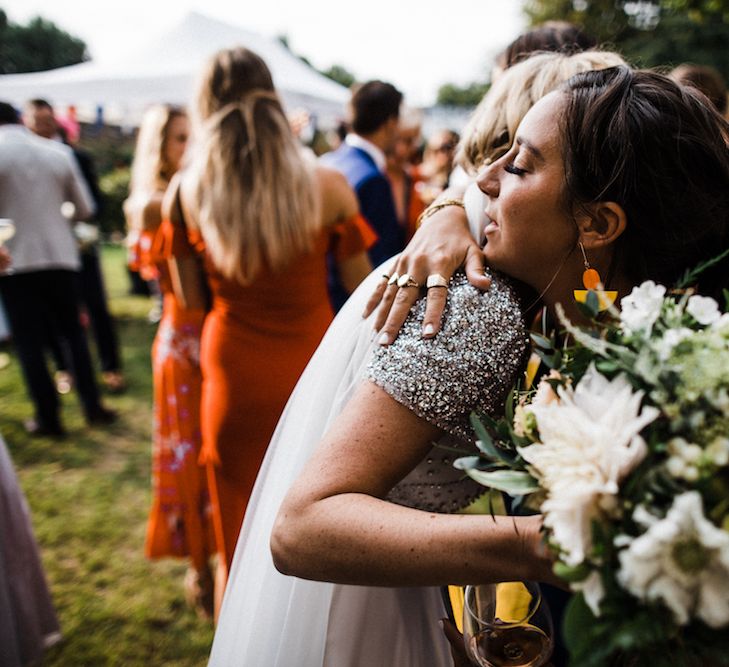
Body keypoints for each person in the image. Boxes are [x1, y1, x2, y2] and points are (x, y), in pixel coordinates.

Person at [208, 50, 629, 666]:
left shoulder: (516, 283)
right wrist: (527, 548)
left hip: (402, 583)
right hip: (365, 601)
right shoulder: (480, 303)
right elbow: (302, 530)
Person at [162, 46, 373, 609]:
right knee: (316, 516)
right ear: (274, 97)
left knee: (241, 527)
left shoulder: (184, 193)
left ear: (205, 106)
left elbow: (189, 300)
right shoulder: (328, 186)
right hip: (312, 369)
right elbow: (363, 295)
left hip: (232, 375)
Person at [123, 104, 216, 619]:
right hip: (183, 344)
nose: (190, 148)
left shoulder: (182, 195)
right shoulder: (160, 203)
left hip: (199, 338)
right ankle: (200, 563)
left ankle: (212, 561)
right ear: (160, 147)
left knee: (206, 455)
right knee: (188, 458)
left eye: (192, 138)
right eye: (181, 140)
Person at [0, 102, 115, 437]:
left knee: (29, 343)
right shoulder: (56, 153)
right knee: (74, 334)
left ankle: (49, 419)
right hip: (61, 256)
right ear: (20, 120)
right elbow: (85, 208)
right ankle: (92, 406)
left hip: (14, 261)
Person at [22, 98, 125, 394]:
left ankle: (110, 367)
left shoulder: (75, 157)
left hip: (79, 245)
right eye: (37, 121)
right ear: (27, 122)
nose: (43, 126)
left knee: (97, 307)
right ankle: (65, 370)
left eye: (47, 120)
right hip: (42, 252)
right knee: (53, 318)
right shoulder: (23, 158)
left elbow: (92, 203)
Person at [321, 80, 404, 310]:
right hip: (349, 308)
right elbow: (379, 264)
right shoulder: (373, 180)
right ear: (390, 123)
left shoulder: (326, 162)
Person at [385, 107, 425, 242]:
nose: (401, 150)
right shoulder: (372, 178)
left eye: (408, 141)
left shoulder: (418, 180)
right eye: (397, 140)